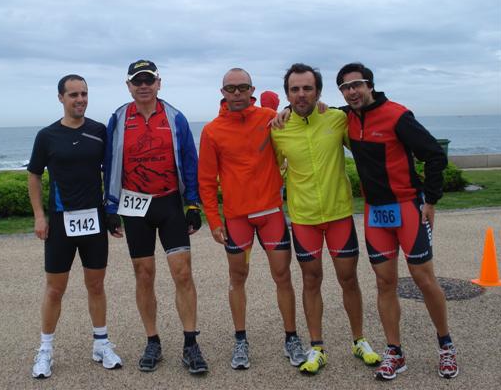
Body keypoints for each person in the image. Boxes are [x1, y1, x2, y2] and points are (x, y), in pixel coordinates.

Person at [336, 62, 458, 380]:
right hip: (376, 213)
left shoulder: (397, 115)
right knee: (384, 283)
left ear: (370, 85)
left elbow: (434, 154)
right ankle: (395, 351)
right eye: (345, 88)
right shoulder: (346, 118)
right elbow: (314, 110)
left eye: (357, 84)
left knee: (423, 279)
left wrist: (431, 200)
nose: (352, 91)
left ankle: (446, 345)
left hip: (407, 208)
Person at [270, 64, 380, 375]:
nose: (301, 94)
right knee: (311, 279)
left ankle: (359, 340)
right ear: (287, 94)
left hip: (339, 214)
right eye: (295, 89)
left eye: (307, 88)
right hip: (303, 218)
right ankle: (316, 347)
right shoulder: (278, 128)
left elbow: (365, 140)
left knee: (349, 279)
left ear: (318, 91)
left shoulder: (336, 118)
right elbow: (271, 169)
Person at [198, 68, 306, 371]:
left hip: (270, 212)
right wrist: (213, 220)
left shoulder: (269, 117)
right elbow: (206, 180)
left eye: (242, 87)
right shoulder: (212, 131)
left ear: (252, 90)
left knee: (282, 276)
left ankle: (291, 337)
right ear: (222, 92)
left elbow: (299, 117)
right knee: (237, 278)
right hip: (237, 217)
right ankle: (241, 340)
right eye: (231, 89)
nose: (237, 93)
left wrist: (308, 107)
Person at [103, 59, 207, 374]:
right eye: (137, 81)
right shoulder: (118, 119)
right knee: (144, 274)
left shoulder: (175, 117)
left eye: (149, 80)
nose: (144, 86)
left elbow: (190, 159)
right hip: (135, 207)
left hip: (169, 203)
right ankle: (153, 341)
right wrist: (110, 207)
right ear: (129, 86)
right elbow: (110, 162)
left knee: (182, 274)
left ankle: (190, 343)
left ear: (159, 83)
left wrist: (193, 204)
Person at [27, 74, 122, 379]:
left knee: (96, 285)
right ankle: (45, 349)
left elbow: (112, 170)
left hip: (93, 220)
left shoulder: (99, 131)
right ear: (61, 98)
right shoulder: (47, 136)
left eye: (84, 94)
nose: (80, 99)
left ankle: (101, 344)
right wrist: (39, 216)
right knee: (55, 289)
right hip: (60, 221)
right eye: (73, 95)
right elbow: (33, 175)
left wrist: (113, 210)